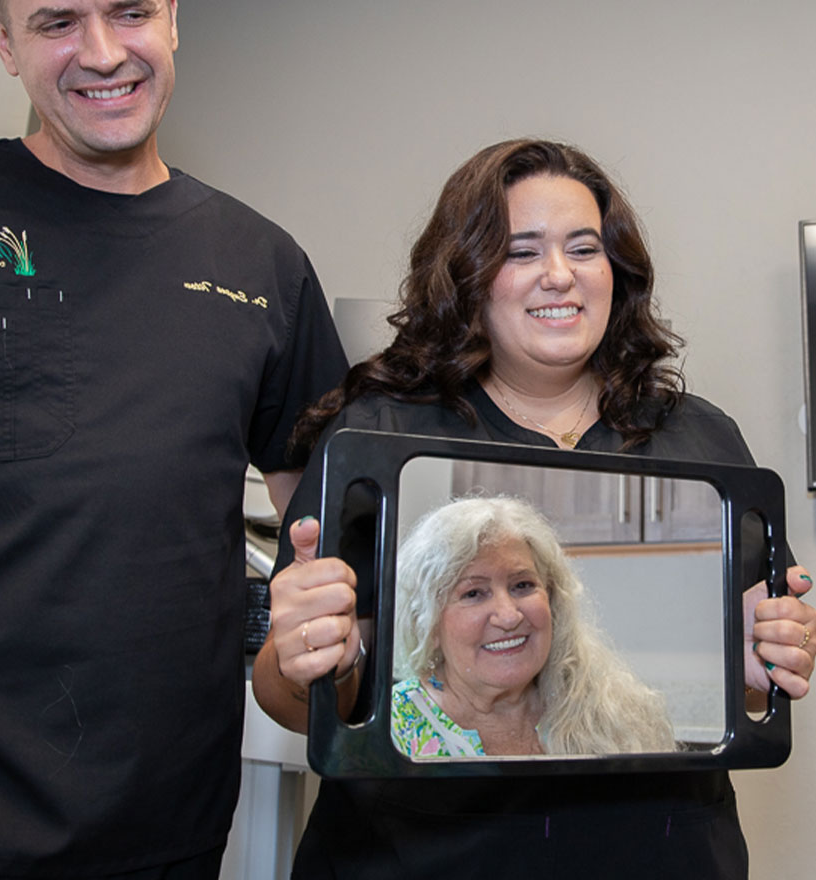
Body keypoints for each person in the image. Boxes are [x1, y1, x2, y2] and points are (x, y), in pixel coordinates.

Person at [0, 0, 347, 879]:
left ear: (173, 12)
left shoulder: (264, 265)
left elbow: (330, 543)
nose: (103, 51)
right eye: (55, 22)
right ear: (2, 40)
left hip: (163, 835)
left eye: (128, 11)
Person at [252, 138, 816, 878]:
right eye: (521, 252)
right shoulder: (381, 434)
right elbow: (301, 694)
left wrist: (764, 657)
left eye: (584, 248)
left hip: (661, 852)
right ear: (468, 275)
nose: (559, 275)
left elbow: (743, 682)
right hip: (424, 855)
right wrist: (302, 660)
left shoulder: (700, 438)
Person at [391, 495, 675, 759]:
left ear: (552, 599)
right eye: (474, 593)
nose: (508, 615)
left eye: (522, 585)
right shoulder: (392, 727)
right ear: (427, 622)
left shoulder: (611, 713)